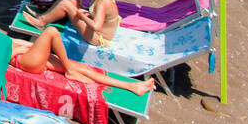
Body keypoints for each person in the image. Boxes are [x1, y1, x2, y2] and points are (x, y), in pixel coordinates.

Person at [10, 27, 155, 95]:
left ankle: (132, 86)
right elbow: (1, 56)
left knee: (84, 69)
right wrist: (20, 49)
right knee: (51, 31)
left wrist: (30, 46)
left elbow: (15, 41)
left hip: (32, 55)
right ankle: (70, 70)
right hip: (23, 60)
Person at [23, 0, 120, 46]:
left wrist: (82, 16)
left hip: (98, 37)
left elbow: (96, 26)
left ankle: (41, 23)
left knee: (66, 4)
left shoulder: (102, 2)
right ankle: (42, 16)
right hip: (96, 26)